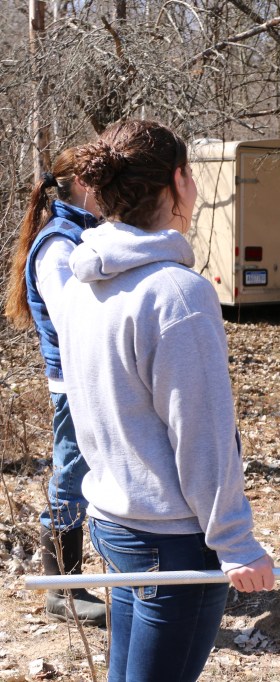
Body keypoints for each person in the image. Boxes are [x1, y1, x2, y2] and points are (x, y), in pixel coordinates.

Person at [57, 119, 276, 681]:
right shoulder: (178, 294)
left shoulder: (81, 282)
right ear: (180, 182)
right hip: (171, 539)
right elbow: (200, 431)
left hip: (113, 522)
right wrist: (235, 542)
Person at [4, 149, 107, 627]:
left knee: (90, 471)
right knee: (71, 474)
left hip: (94, 377)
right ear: (82, 184)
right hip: (74, 382)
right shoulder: (59, 244)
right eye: (104, 181)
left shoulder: (83, 232)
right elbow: (74, 321)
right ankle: (60, 587)